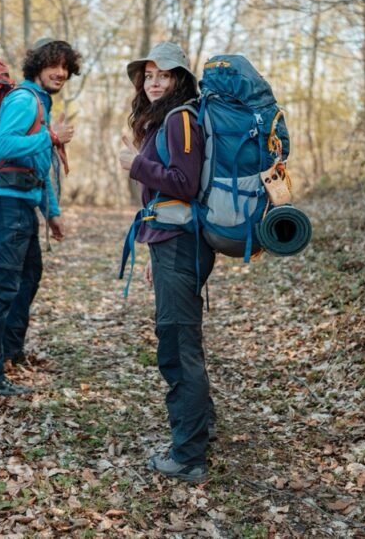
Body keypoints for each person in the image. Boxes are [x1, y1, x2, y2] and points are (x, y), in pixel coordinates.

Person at [118, 41, 216, 482]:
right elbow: (169, 196)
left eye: (164, 75)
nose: (154, 82)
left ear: (179, 79)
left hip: (181, 245)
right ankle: (201, 429)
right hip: (172, 244)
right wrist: (154, 251)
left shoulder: (180, 120)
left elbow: (184, 183)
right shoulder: (167, 121)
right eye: (149, 75)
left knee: (178, 348)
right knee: (181, 343)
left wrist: (134, 163)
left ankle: (189, 455)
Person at [0, 37, 80, 396]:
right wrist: (50, 135)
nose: (61, 73)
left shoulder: (39, 103)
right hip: (5, 204)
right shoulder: (23, 99)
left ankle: (10, 352)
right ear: (37, 65)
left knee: (29, 276)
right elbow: (6, 146)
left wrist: (52, 213)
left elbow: (37, 166)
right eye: (54, 65)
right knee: (3, 288)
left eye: (66, 67)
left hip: (22, 203)